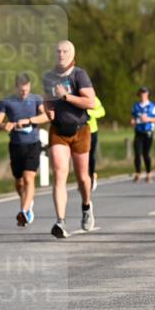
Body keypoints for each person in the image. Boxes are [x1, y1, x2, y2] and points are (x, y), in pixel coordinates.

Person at [43, 40, 97, 238]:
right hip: (58, 131)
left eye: (65, 51)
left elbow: (90, 102)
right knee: (59, 174)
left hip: (80, 129)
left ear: (72, 55)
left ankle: (86, 206)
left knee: (83, 177)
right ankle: (60, 221)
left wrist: (66, 97)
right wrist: (48, 109)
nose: (61, 54)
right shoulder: (49, 77)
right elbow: (47, 98)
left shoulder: (79, 75)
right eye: (58, 51)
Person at [0, 73, 47, 227]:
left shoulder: (36, 99)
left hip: (32, 144)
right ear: (16, 87)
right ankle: (27, 202)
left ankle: (24, 211)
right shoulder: (7, 102)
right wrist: (4, 125)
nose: (24, 92)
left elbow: (46, 116)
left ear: (30, 86)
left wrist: (30, 120)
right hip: (16, 145)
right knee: (19, 182)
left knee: (29, 178)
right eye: (21, 90)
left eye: (27, 89)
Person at [131, 86, 155, 183]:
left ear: (147, 94)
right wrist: (133, 121)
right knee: (137, 153)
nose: (143, 95)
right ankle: (138, 173)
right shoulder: (136, 106)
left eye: (144, 93)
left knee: (146, 154)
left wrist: (147, 119)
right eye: (141, 93)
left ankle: (148, 173)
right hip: (138, 132)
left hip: (148, 132)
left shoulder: (152, 106)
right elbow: (133, 118)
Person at [87, 95, 106, 192]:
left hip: (91, 131)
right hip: (77, 131)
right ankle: (84, 179)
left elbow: (102, 111)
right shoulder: (71, 96)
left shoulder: (92, 97)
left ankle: (92, 175)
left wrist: (89, 113)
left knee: (90, 155)